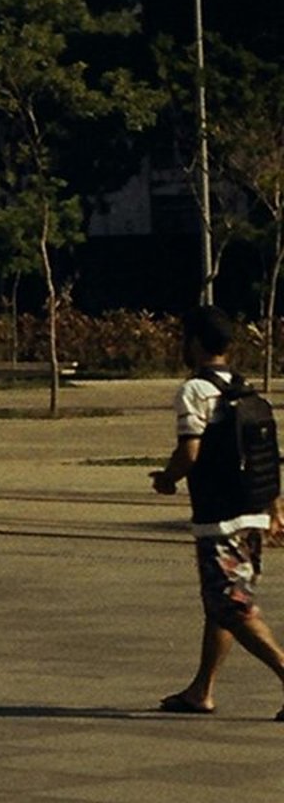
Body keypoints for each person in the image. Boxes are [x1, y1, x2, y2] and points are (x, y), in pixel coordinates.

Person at [151, 302, 284, 716]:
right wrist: (275, 509)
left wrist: (168, 478)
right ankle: (201, 690)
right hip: (253, 515)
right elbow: (266, 456)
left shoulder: (195, 390)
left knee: (231, 605)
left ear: (192, 343)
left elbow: (190, 451)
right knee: (221, 603)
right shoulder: (246, 391)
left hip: (220, 519)